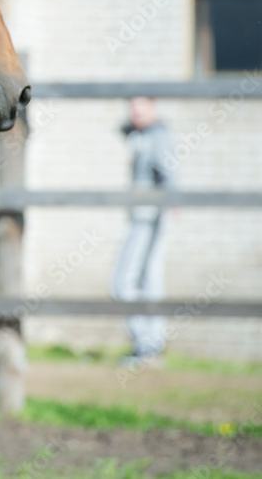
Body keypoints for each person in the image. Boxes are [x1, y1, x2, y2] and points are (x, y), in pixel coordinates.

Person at [111, 97, 173, 367]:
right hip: (143, 215)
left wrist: (170, 202)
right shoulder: (142, 134)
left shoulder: (158, 137)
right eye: (132, 108)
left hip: (149, 216)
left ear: (154, 108)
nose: (135, 113)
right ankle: (149, 347)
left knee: (122, 282)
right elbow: (122, 128)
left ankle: (147, 346)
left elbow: (169, 173)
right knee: (149, 281)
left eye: (142, 107)